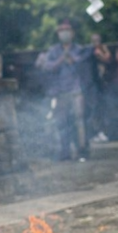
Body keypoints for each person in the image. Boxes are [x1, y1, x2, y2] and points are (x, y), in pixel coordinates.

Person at [35, 20, 92, 161]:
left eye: (67, 30)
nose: (65, 33)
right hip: (59, 91)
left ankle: (82, 149)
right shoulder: (54, 50)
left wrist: (72, 58)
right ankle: (64, 151)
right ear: (58, 34)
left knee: (79, 120)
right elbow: (47, 66)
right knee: (62, 122)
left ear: (72, 33)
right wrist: (61, 59)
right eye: (62, 30)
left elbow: (82, 63)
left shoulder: (78, 49)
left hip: (76, 90)